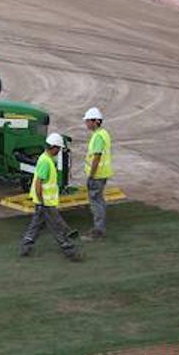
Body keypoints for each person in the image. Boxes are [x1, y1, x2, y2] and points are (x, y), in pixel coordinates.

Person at [18, 133, 82, 261]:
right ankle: (70, 251)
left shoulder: (45, 159)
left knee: (36, 225)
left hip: (43, 201)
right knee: (57, 227)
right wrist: (42, 201)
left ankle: (25, 247)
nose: (58, 151)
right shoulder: (45, 162)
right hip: (46, 203)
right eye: (58, 149)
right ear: (53, 147)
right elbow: (38, 183)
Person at [81, 107, 112, 239]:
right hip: (103, 174)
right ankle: (99, 228)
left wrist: (91, 175)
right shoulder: (103, 133)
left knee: (96, 202)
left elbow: (97, 157)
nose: (86, 124)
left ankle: (98, 230)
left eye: (88, 121)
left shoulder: (98, 137)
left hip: (97, 175)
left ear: (95, 121)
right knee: (100, 200)